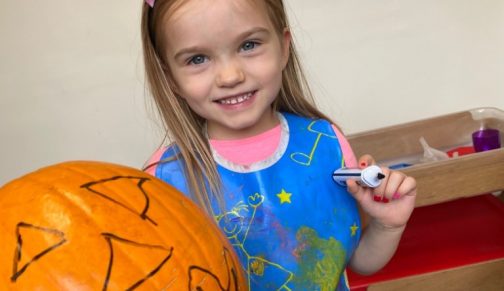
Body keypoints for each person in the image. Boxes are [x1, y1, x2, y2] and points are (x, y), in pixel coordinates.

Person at [141, 0, 417, 290]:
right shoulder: (161, 180)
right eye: (197, 59)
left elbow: (358, 260)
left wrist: (388, 224)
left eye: (248, 45)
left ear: (284, 47)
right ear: (169, 76)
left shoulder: (326, 142)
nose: (230, 76)